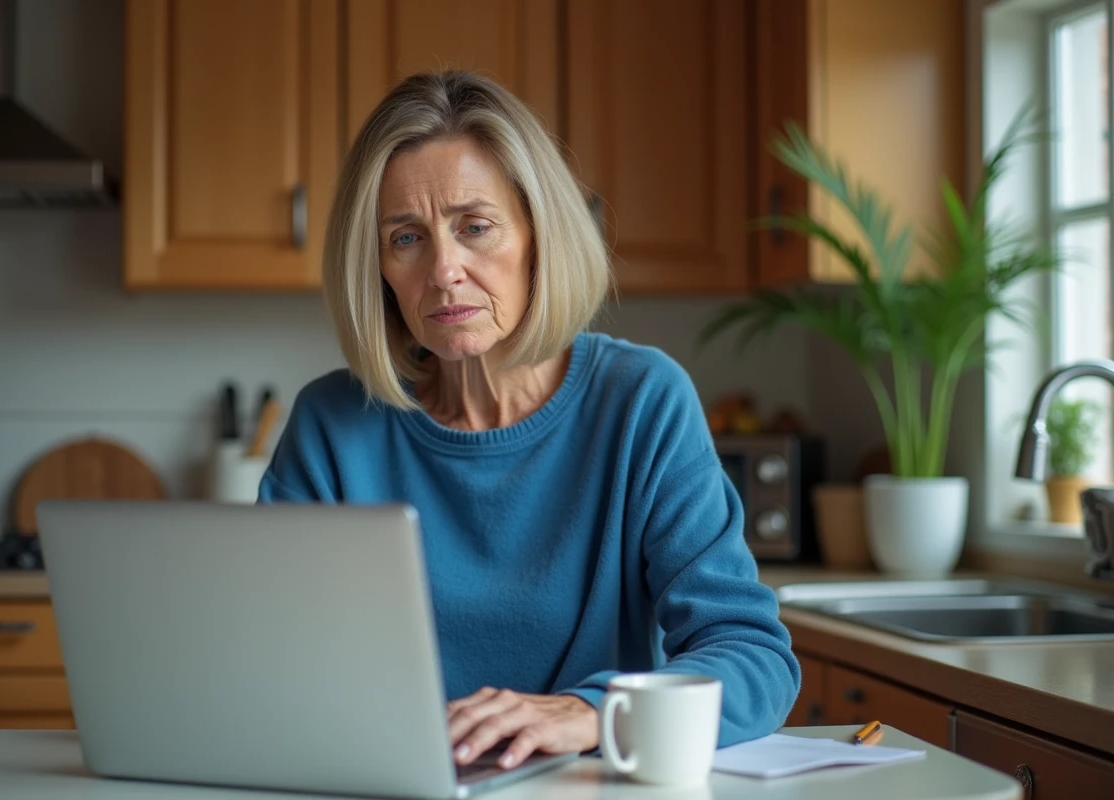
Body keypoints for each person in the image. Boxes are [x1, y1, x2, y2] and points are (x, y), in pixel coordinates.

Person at [259, 70, 799, 772]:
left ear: (539, 236)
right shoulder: (330, 426)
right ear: (378, 267)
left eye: (474, 227)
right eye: (406, 238)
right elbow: (270, 665)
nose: (445, 269)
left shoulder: (641, 402)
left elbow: (755, 657)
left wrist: (589, 711)